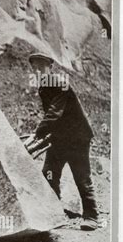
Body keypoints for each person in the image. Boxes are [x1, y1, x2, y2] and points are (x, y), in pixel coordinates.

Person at [28, 52, 98, 231]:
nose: (37, 70)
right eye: (34, 68)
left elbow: (54, 113)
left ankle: (91, 216)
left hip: (77, 138)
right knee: (50, 173)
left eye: (41, 67)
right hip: (59, 138)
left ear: (50, 67)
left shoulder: (60, 83)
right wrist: (43, 134)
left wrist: (38, 133)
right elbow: (52, 116)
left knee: (81, 176)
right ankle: (55, 212)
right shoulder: (44, 86)